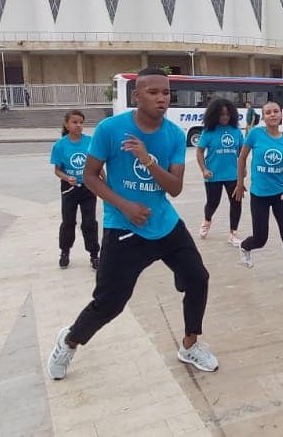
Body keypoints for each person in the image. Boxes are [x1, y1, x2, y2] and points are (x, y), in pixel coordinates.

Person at [46, 67, 216, 380]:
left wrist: (148, 159)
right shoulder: (111, 129)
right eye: (153, 93)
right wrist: (124, 205)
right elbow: (90, 176)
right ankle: (70, 340)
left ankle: (190, 345)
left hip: (165, 224)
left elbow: (174, 188)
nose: (161, 99)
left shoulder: (175, 136)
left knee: (197, 278)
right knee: (110, 302)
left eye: (166, 93)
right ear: (136, 96)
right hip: (124, 227)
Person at [234, 101, 283, 294]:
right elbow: (242, 158)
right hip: (259, 194)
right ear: (263, 117)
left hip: (281, 195)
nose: (272, 115)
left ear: (281, 115)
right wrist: (240, 183)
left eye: (276, 111)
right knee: (260, 238)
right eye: (268, 112)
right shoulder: (255, 134)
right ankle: (244, 246)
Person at [51, 110, 98, 269]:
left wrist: (104, 180)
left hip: (88, 187)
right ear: (67, 124)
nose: (78, 126)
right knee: (68, 222)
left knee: (89, 222)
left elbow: (96, 164)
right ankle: (65, 252)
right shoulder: (60, 145)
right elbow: (57, 170)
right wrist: (66, 178)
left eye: (81, 123)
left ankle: (94, 254)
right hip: (69, 189)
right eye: (75, 122)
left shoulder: (90, 142)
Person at [196, 98, 243, 247]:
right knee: (212, 203)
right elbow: (199, 152)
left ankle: (233, 233)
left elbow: (241, 152)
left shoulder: (236, 132)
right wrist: (204, 169)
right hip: (213, 175)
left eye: (228, 114)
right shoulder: (208, 132)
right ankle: (207, 220)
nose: (225, 117)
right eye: (222, 114)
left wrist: (243, 169)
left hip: (233, 175)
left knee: (236, 203)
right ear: (215, 115)